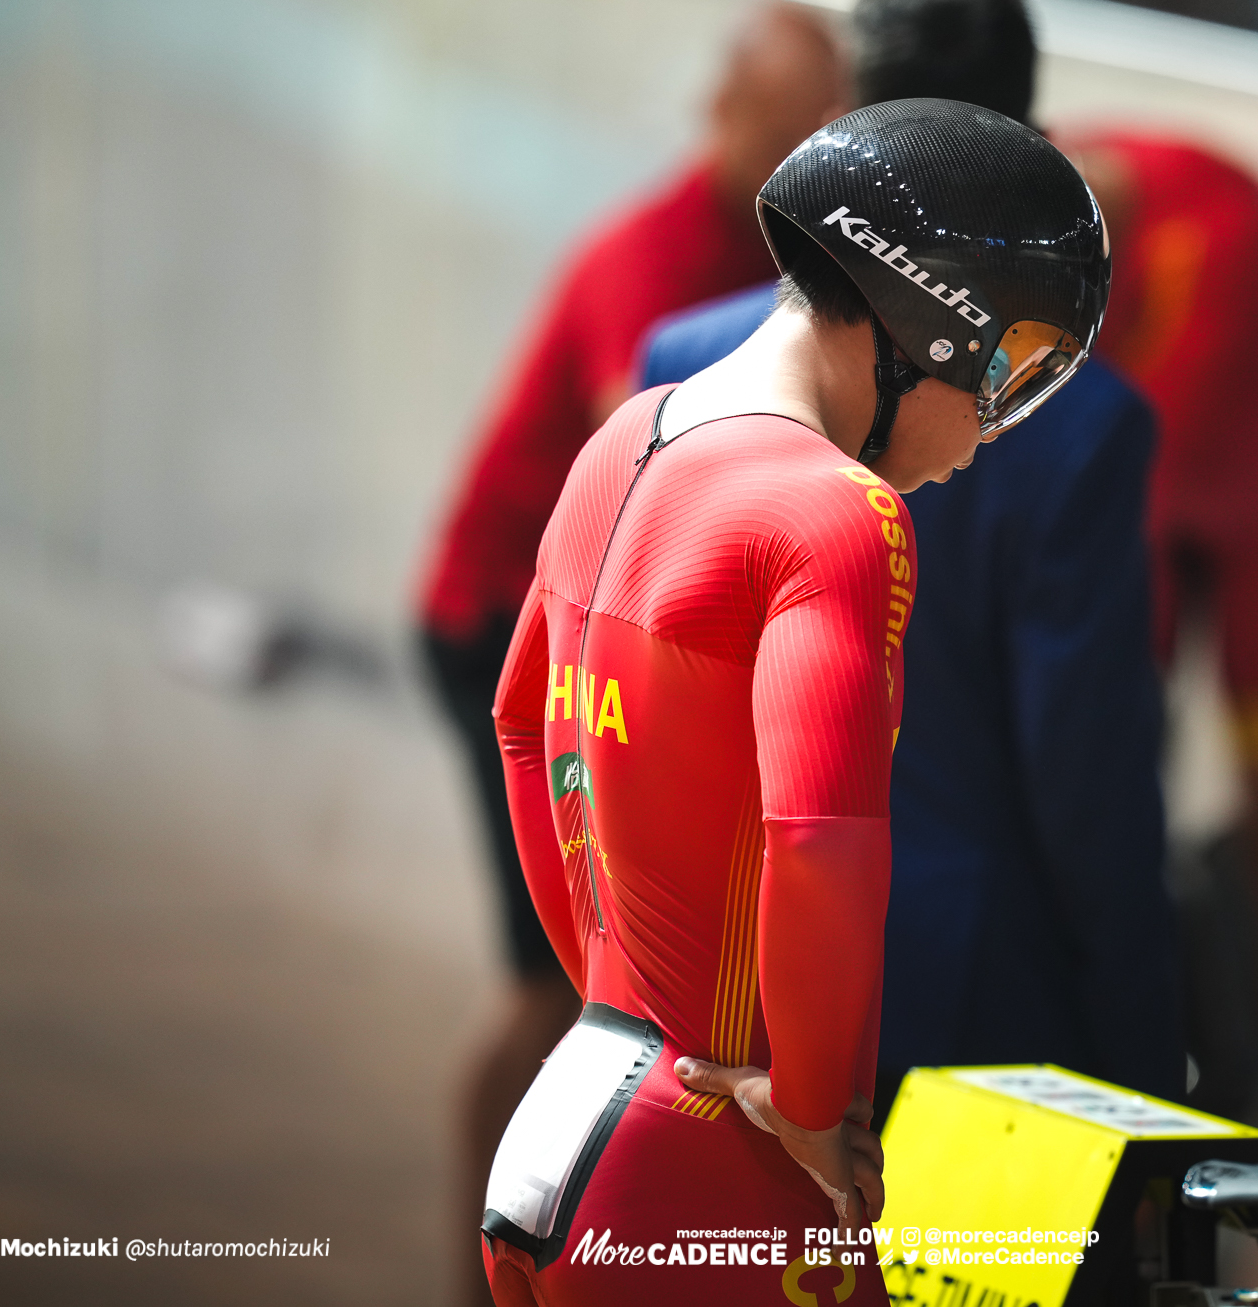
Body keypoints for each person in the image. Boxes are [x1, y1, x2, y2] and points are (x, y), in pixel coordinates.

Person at [480, 100, 1110, 1306]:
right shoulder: (835, 513)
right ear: (932, 323)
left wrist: (624, 1000)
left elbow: (521, 726)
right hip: (717, 1157)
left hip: (577, 1104)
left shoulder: (624, 437)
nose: (992, 433)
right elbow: (818, 842)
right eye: (1015, 374)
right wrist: (814, 1106)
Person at [636, 0, 1183, 1121]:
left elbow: (588, 724)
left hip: (715, 1003)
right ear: (1037, 155)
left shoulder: (682, 364)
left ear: (840, 126)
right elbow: (1087, 767)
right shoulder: (1080, 423)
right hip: (977, 1010)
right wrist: (1141, 1051)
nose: (977, 435)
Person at [414, 10, 846, 1301]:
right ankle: (488, 1259)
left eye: (819, 137)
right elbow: (658, 494)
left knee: (597, 988)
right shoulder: (655, 266)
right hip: (511, 616)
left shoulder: (759, 259)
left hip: (592, 615)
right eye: (781, 135)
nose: (799, 164)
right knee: (561, 983)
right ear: (723, 122)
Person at [1055, 125, 1258, 1097]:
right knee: (1094, 779)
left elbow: (1137, 445)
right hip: (1149, 488)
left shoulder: (1219, 228)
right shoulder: (1037, 197)